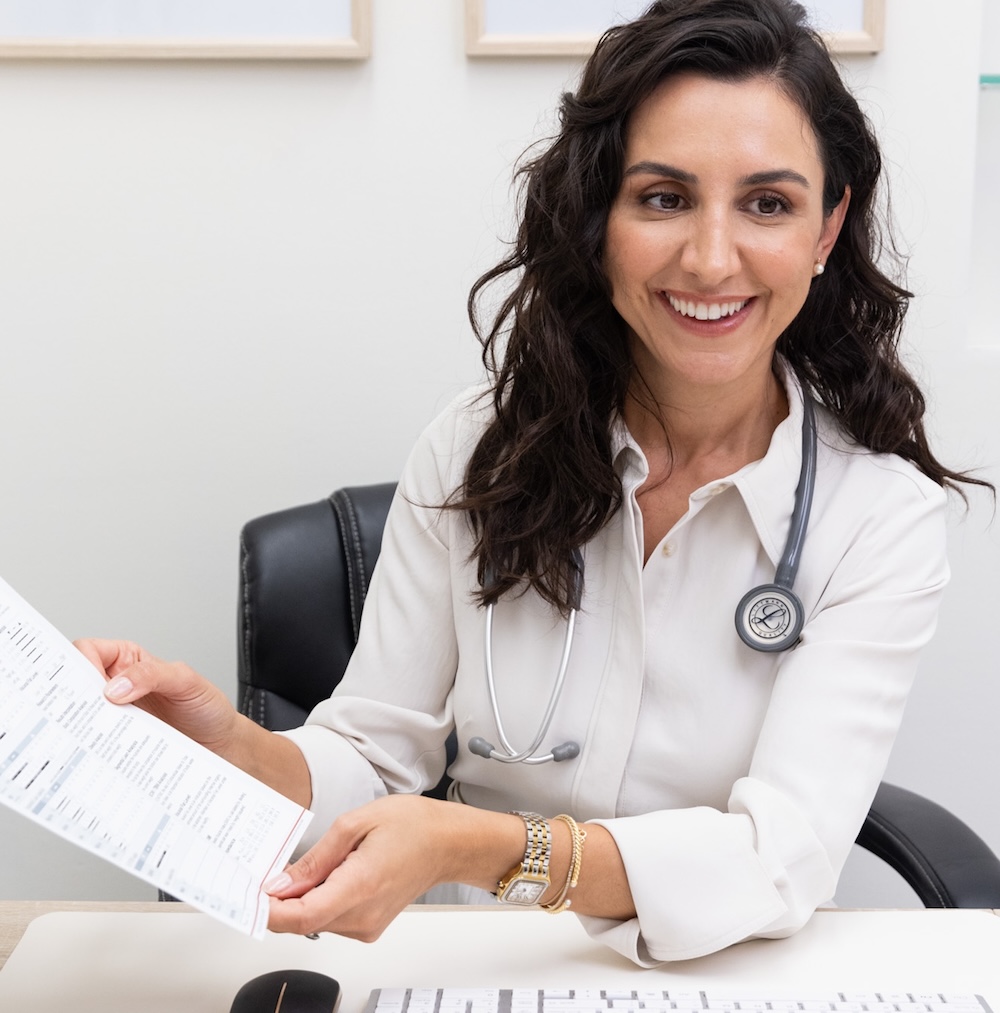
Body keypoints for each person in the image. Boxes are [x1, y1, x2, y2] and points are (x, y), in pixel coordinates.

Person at [76, 0, 991, 967]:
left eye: (768, 203)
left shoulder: (878, 516)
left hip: (722, 979)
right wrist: (234, 745)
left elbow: (779, 857)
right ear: (600, 219)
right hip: (474, 972)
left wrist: (487, 846)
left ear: (827, 226)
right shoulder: (479, 447)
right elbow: (375, 756)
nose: (712, 257)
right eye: (664, 197)